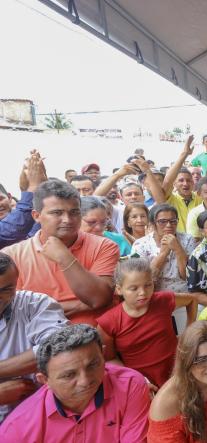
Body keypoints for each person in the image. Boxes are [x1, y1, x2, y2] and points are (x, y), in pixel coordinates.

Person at [0, 324, 150, 441]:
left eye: (93, 365)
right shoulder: (17, 428)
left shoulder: (130, 385)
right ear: (44, 380)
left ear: (103, 355)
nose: (85, 381)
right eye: (69, 375)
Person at [2, 180, 118, 325]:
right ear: (36, 216)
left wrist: (64, 257)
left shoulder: (104, 246)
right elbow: (15, 310)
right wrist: (81, 305)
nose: (67, 220)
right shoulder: (11, 255)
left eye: (74, 212)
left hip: (95, 340)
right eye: (57, 213)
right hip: (35, 343)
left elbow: (98, 299)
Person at [97, 258, 197, 388]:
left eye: (148, 285)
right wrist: (136, 380)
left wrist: (188, 331)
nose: (143, 293)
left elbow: (192, 300)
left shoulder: (162, 300)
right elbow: (109, 359)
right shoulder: (108, 322)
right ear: (119, 290)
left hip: (178, 373)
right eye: (134, 288)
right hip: (142, 383)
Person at [0, 253, 68, 423]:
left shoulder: (35, 304)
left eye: (6, 289)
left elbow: (59, 349)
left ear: (16, 283)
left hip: (38, 418)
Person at [131, 203, 197, 334]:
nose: (169, 226)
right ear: (152, 223)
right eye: (162, 221)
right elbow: (142, 281)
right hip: (155, 299)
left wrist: (178, 249)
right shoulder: (140, 245)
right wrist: (163, 253)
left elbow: (188, 277)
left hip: (185, 297)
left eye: (173, 221)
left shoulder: (187, 239)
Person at [0, 150, 46, 248]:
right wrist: (33, 187)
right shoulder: (21, 220)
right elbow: (11, 231)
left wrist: (39, 185)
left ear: (9, 197)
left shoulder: (33, 216)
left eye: (0, 199)